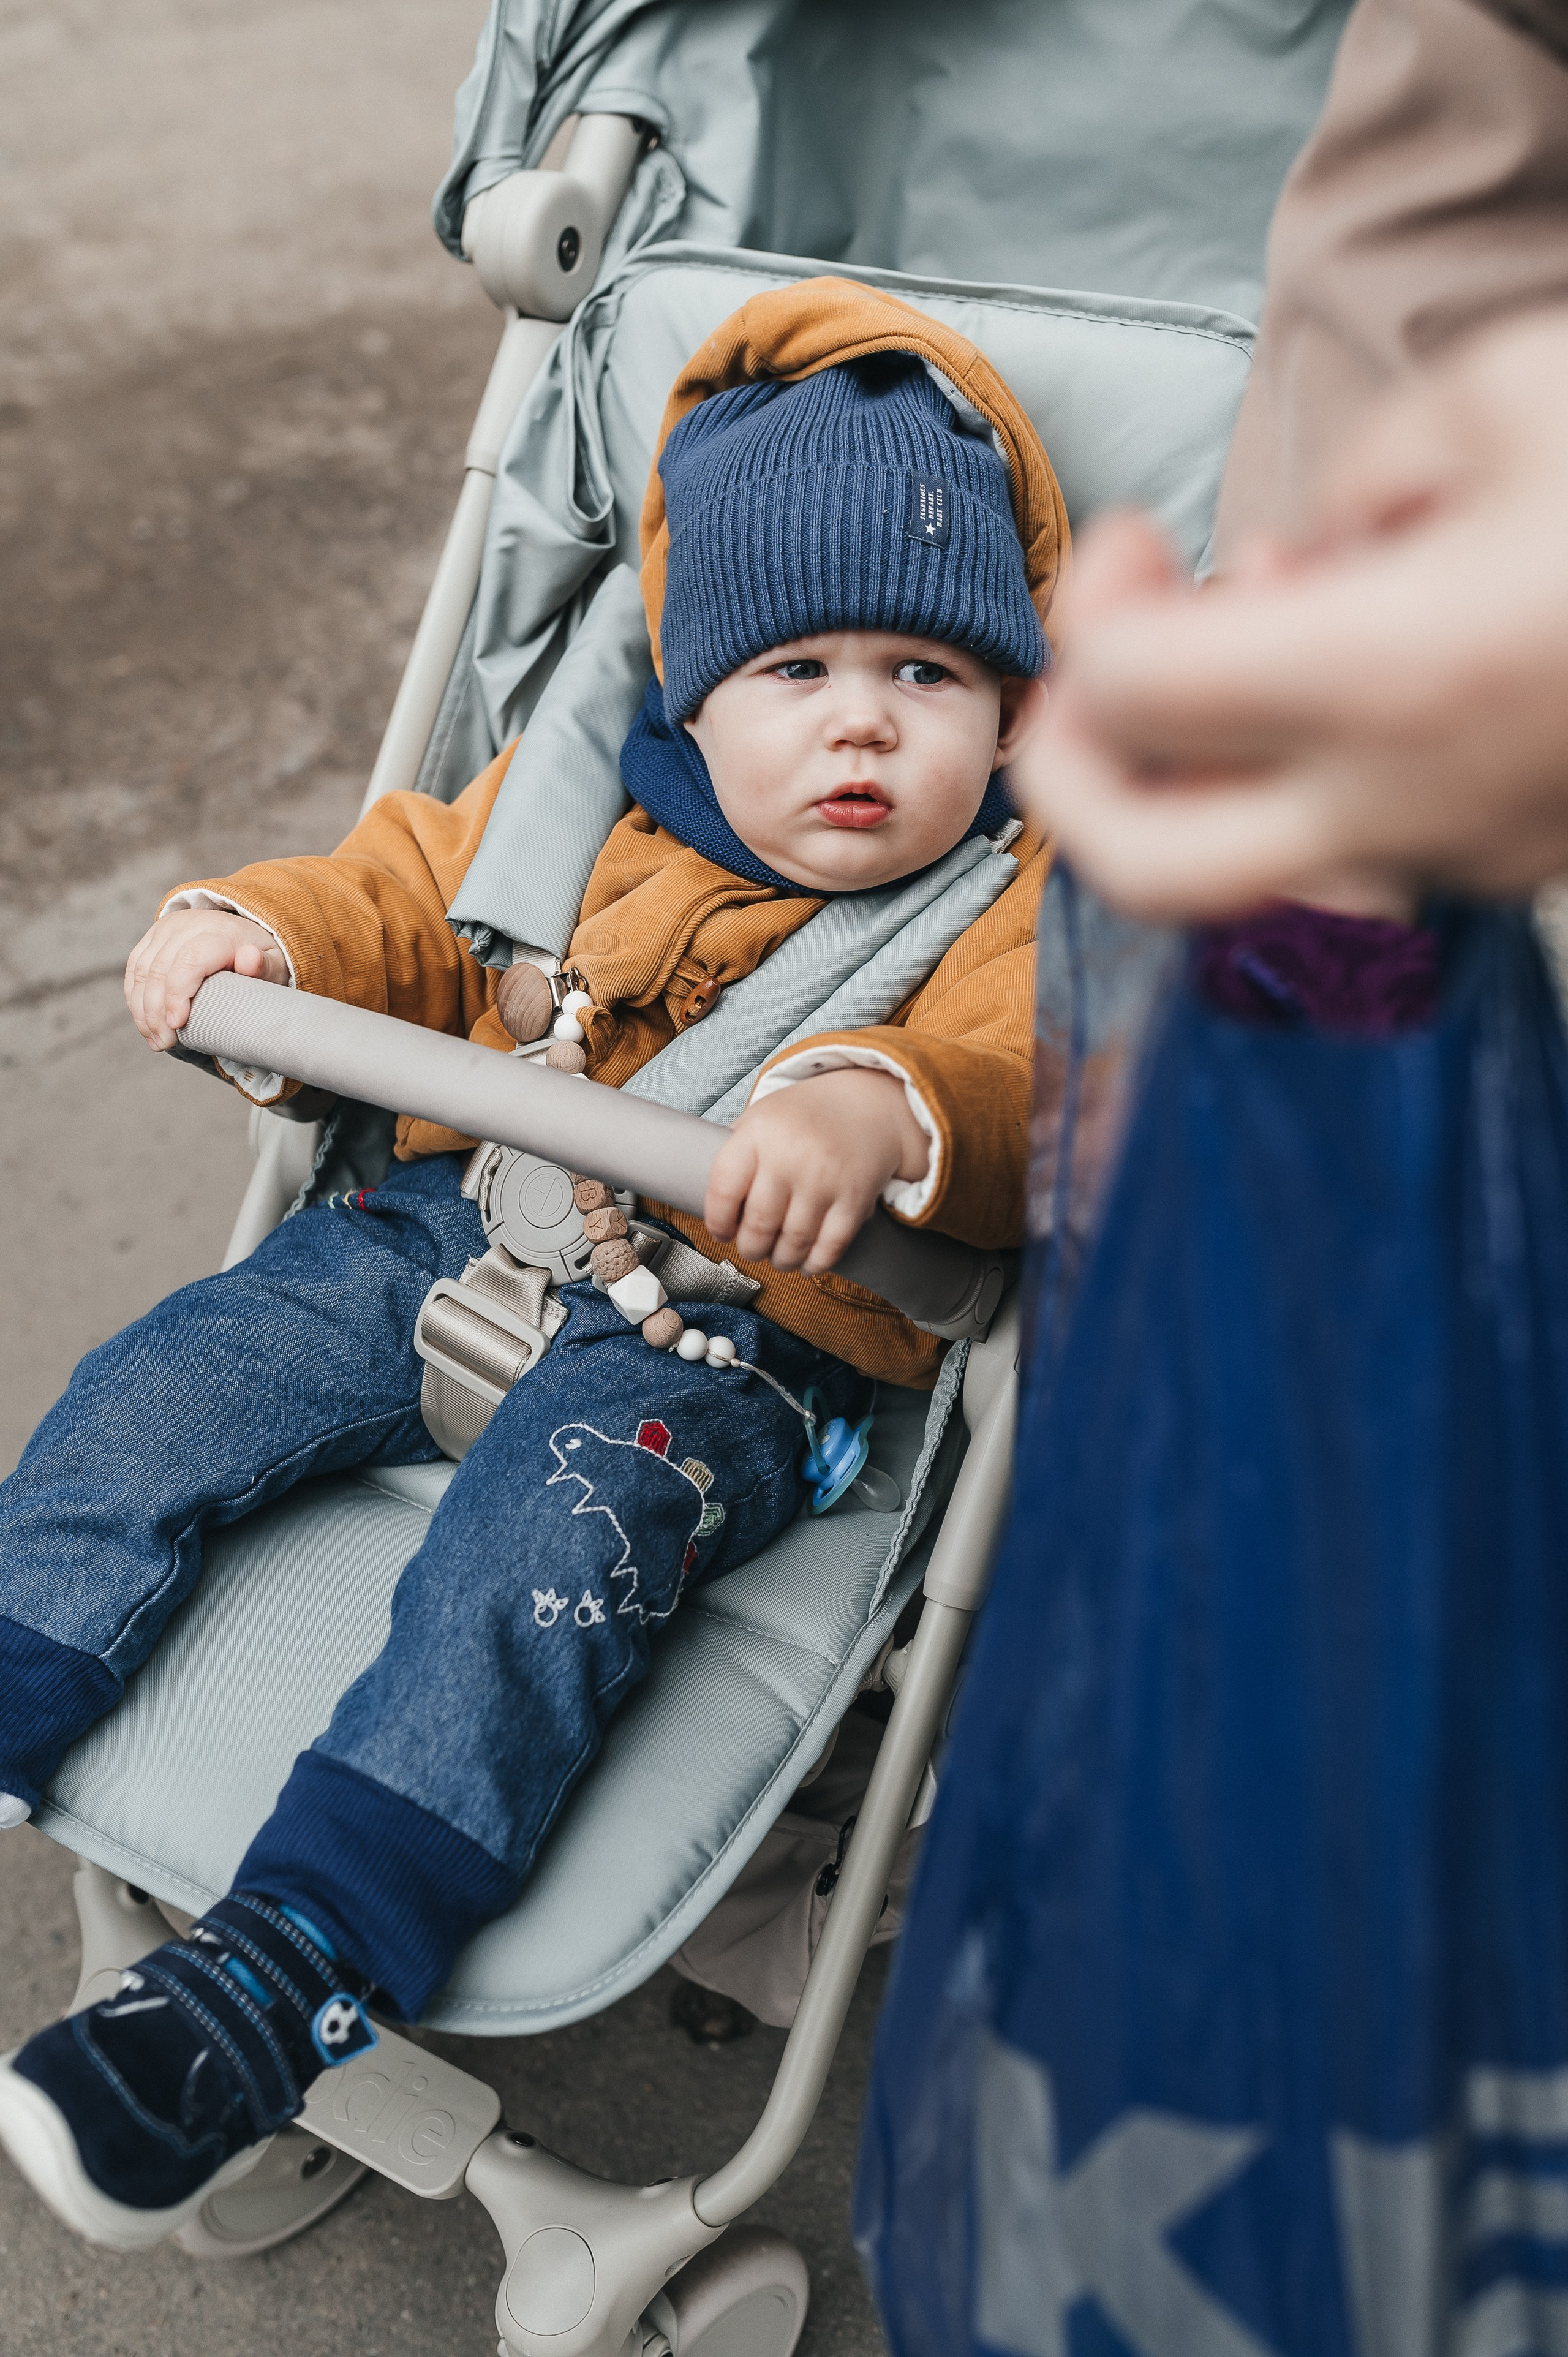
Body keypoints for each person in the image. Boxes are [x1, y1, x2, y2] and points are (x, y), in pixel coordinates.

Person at [0, 284, 1060, 2251]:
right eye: (798, 666)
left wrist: (876, 1113)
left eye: (928, 670)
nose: (861, 718)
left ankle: (301, 1958)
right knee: (167, 1381)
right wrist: (258, 934)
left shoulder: (1010, 891)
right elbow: (395, 897)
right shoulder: (580, 807)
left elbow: (1019, 1083)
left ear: (1007, 706)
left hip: (735, 1343)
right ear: (695, 690)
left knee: (537, 1558)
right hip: (458, 1220)